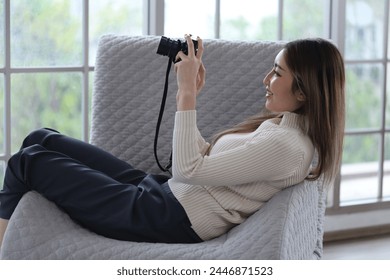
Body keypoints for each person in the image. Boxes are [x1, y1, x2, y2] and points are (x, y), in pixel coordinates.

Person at [0, 35, 345, 247]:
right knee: (42, 138)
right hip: (165, 194)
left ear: (303, 90)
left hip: (166, 218)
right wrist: (191, 90)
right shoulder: (281, 128)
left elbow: (188, 169)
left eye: (277, 73)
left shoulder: (288, 148)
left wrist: (186, 95)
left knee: (27, 160)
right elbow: (200, 162)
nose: (266, 78)